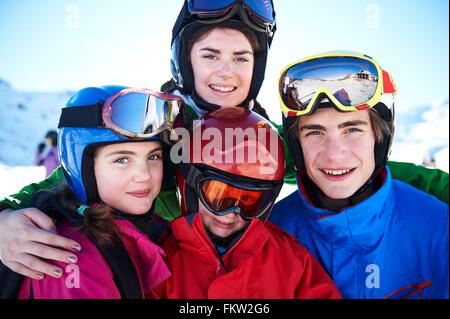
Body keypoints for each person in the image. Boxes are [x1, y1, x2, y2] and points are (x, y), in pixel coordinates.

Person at [0, 0, 447, 283]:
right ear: (184, 61)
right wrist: (4, 220)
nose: (226, 72)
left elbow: (357, 170)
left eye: (242, 57)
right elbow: (69, 182)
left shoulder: (263, 143)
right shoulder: (156, 128)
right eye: (209, 55)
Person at [269, 52, 449, 299]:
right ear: (296, 144)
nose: (334, 154)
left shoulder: (440, 228)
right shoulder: (271, 236)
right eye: (314, 133)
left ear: (380, 137)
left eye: (352, 129)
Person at [150, 107, 341, 298]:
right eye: (219, 196)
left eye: (249, 201)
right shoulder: (161, 262)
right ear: (189, 184)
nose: (232, 212)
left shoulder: (291, 261)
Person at [13, 85, 178, 298]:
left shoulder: (151, 232)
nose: (145, 175)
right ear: (84, 167)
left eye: (153, 157)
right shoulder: (70, 256)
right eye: (122, 159)